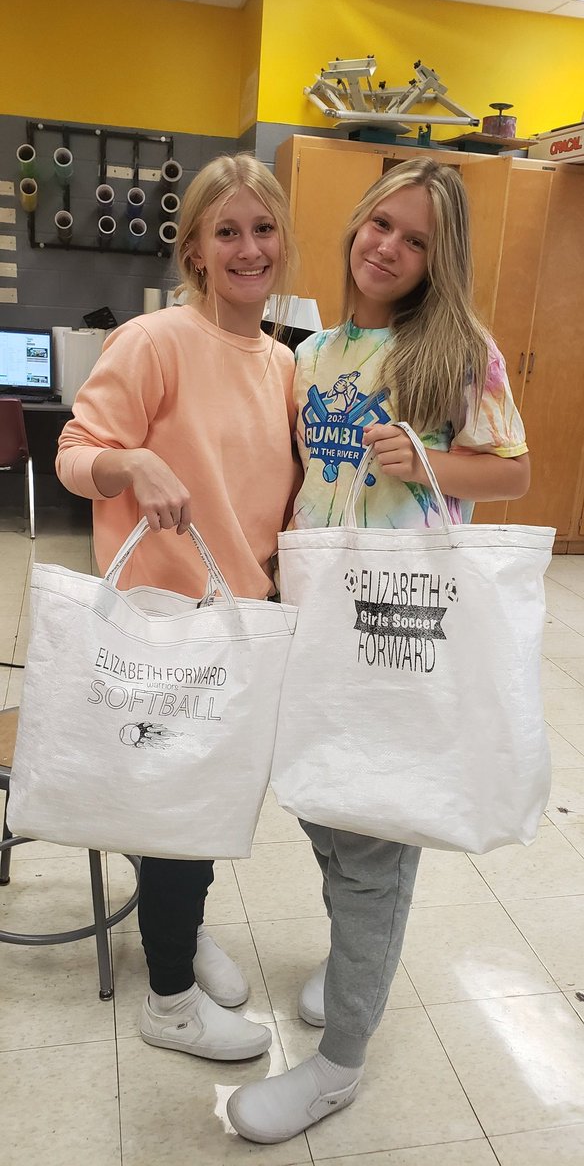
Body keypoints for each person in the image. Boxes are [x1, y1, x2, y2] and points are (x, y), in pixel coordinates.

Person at [226, 156, 530, 1142]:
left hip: (395, 625)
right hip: (313, 613)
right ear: (357, 223)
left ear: (436, 260)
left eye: (414, 239)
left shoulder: (455, 348)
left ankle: (339, 1063)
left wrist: (425, 459)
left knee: (370, 843)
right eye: (380, 225)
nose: (387, 247)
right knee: (324, 800)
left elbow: (513, 475)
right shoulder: (311, 349)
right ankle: (357, 949)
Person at [56, 153, 300, 1063]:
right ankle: (168, 1001)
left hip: (243, 620)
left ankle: (183, 929)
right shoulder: (155, 341)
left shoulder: (283, 362)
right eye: (226, 230)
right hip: (162, 621)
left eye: (263, 229)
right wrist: (131, 463)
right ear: (193, 246)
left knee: (201, 808)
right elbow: (76, 451)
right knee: (178, 811)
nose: (247, 247)